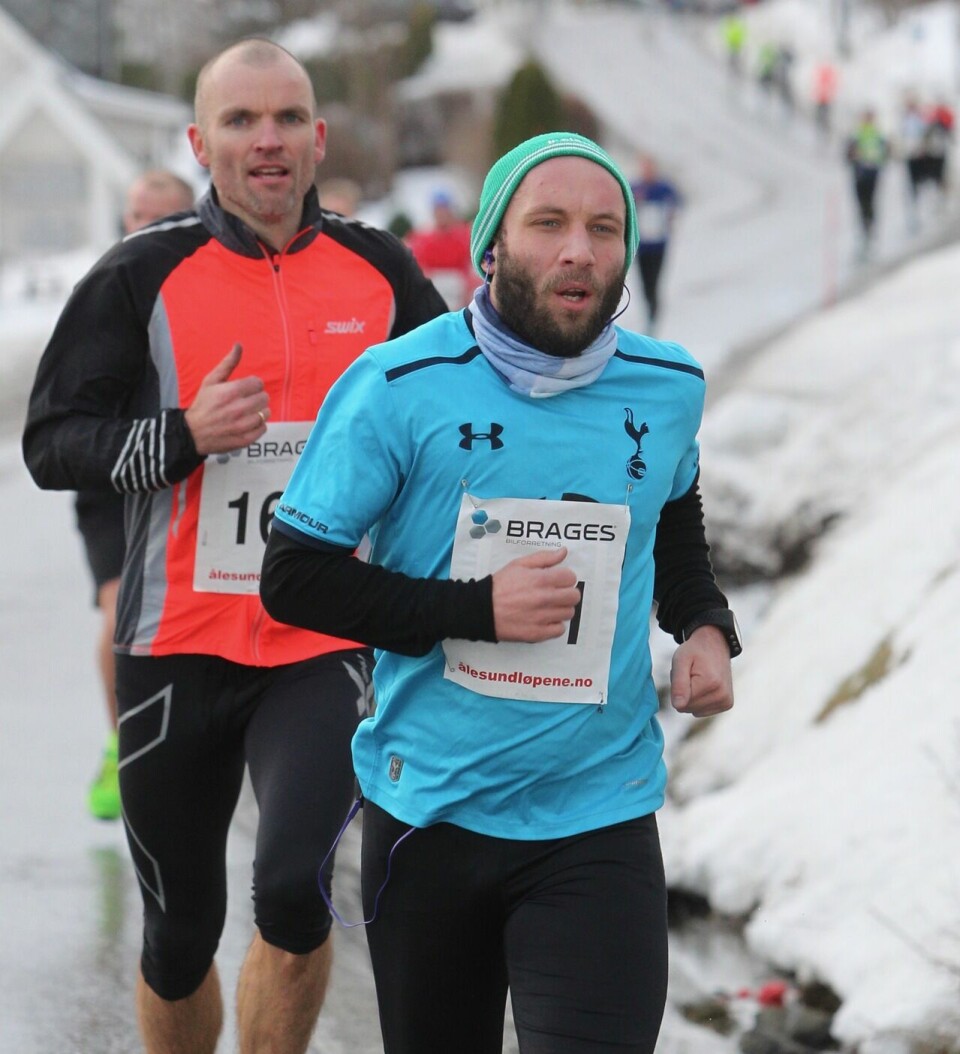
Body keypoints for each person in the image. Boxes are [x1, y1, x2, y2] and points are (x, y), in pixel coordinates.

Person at [261, 131, 740, 1054]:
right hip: (432, 814)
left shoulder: (669, 384)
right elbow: (295, 579)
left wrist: (704, 624)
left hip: (598, 812)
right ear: (491, 247)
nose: (580, 250)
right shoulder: (398, 385)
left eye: (605, 228)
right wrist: (473, 613)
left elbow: (672, 511)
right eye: (549, 223)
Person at [23, 38, 446, 1054]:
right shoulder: (142, 273)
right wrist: (179, 436)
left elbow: (452, 412)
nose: (268, 140)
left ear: (318, 136)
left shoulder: (379, 269)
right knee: (178, 935)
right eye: (242, 121)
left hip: (320, 639)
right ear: (199, 141)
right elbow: (50, 442)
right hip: (175, 648)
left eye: (288, 118)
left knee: (296, 889)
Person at [80, 169, 195, 822]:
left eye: (158, 217)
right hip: (109, 481)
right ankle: (122, 739)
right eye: (133, 215)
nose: (141, 228)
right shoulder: (104, 289)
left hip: (187, 479)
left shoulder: (204, 286)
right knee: (118, 611)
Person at [629, 155, 681, 333]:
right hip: (641, 245)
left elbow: (678, 202)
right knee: (644, 283)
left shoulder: (664, 188)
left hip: (659, 244)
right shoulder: (635, 188)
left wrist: (671, 215)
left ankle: (653, 317)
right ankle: (649, 313)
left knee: (655, 281)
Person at [405, 188, 476, 309]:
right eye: (438, 210)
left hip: (462, 296)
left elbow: (472, 266)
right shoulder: (422, 238)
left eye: (444, 209)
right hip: (434, 295)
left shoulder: (466, 234)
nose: (441, 214)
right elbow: (416, 267)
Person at [845, 108, 889, 259]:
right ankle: (867, 232)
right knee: (865, 204)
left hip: (868, 174)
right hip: (863, 173)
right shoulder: (859, 134)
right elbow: (848, 154)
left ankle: (868, 232)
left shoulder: (871, 134)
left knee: (867, 203)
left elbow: (885, 153)